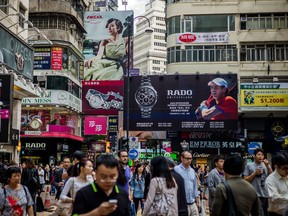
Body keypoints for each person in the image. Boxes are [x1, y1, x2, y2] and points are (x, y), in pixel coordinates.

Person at [243, 148, 273, 216]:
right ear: (254, 156)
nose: (260, 156)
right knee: (258, 213)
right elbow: (245, 180)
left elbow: (272, 177)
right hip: (255, 194)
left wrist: (268, 166)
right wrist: (255, 173)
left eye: (262, 155)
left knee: (266, 213)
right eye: (258, 154)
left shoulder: (266, 165)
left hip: (266, 194)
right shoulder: (249, 165)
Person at [174, 151, 200, 216]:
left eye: (190, 158)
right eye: (187, 158)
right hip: (182, 204)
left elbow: (194, 186)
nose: (189, 160)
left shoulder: (192, 171)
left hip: (192, 202)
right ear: (182, 158)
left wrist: (197, 200)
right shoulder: (176, 170)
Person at [265, 152, 288, 216]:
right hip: (277, 213)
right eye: (284, 168)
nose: (287, 171)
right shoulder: (270, 180)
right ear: (276, 166)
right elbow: (274, 198)